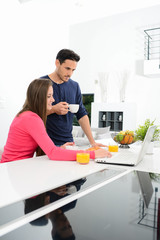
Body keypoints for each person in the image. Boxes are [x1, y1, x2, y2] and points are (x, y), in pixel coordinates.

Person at [1, 79, 111, 163]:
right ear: (38, 98)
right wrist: (92, 154)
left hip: (15, 167)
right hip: (12, 170)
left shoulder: (26, 115)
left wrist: (60, 149)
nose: (53, 100)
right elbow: (53, 153)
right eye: (49, 96)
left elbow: (50, 149)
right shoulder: (31, 118)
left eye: (52, 95)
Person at [41, 49, 106, 147]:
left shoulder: (74, 86)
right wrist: (53, 109)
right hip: (46, 144)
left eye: (73, 70)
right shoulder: (41, 83)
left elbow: (82, 115)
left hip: (69, 143)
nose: (70, 74)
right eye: (67, 68)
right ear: (57, 63)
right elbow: (32, 113)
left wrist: (92, 142)